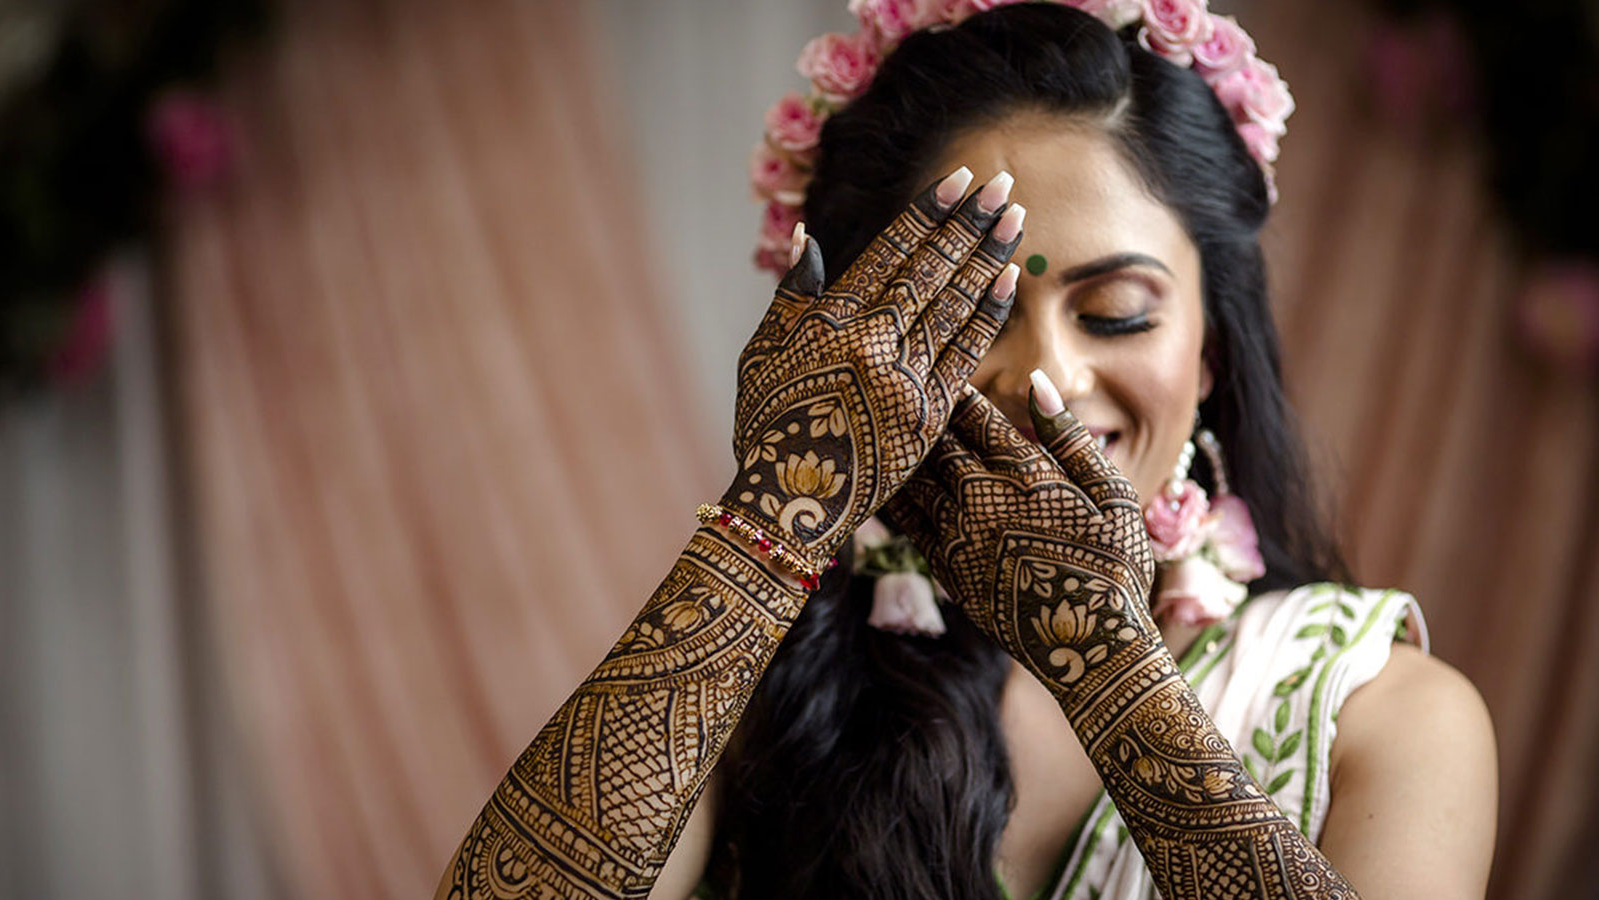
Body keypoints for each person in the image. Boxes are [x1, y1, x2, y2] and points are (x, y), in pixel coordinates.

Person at [433, 4, 1497, 899]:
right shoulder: (750, 674)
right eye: (969, 318)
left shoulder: (1378, 715)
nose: (1048, 382)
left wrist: (1101, 663)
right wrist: (771, 521)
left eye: (1118, 312)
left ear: (1212, 348)